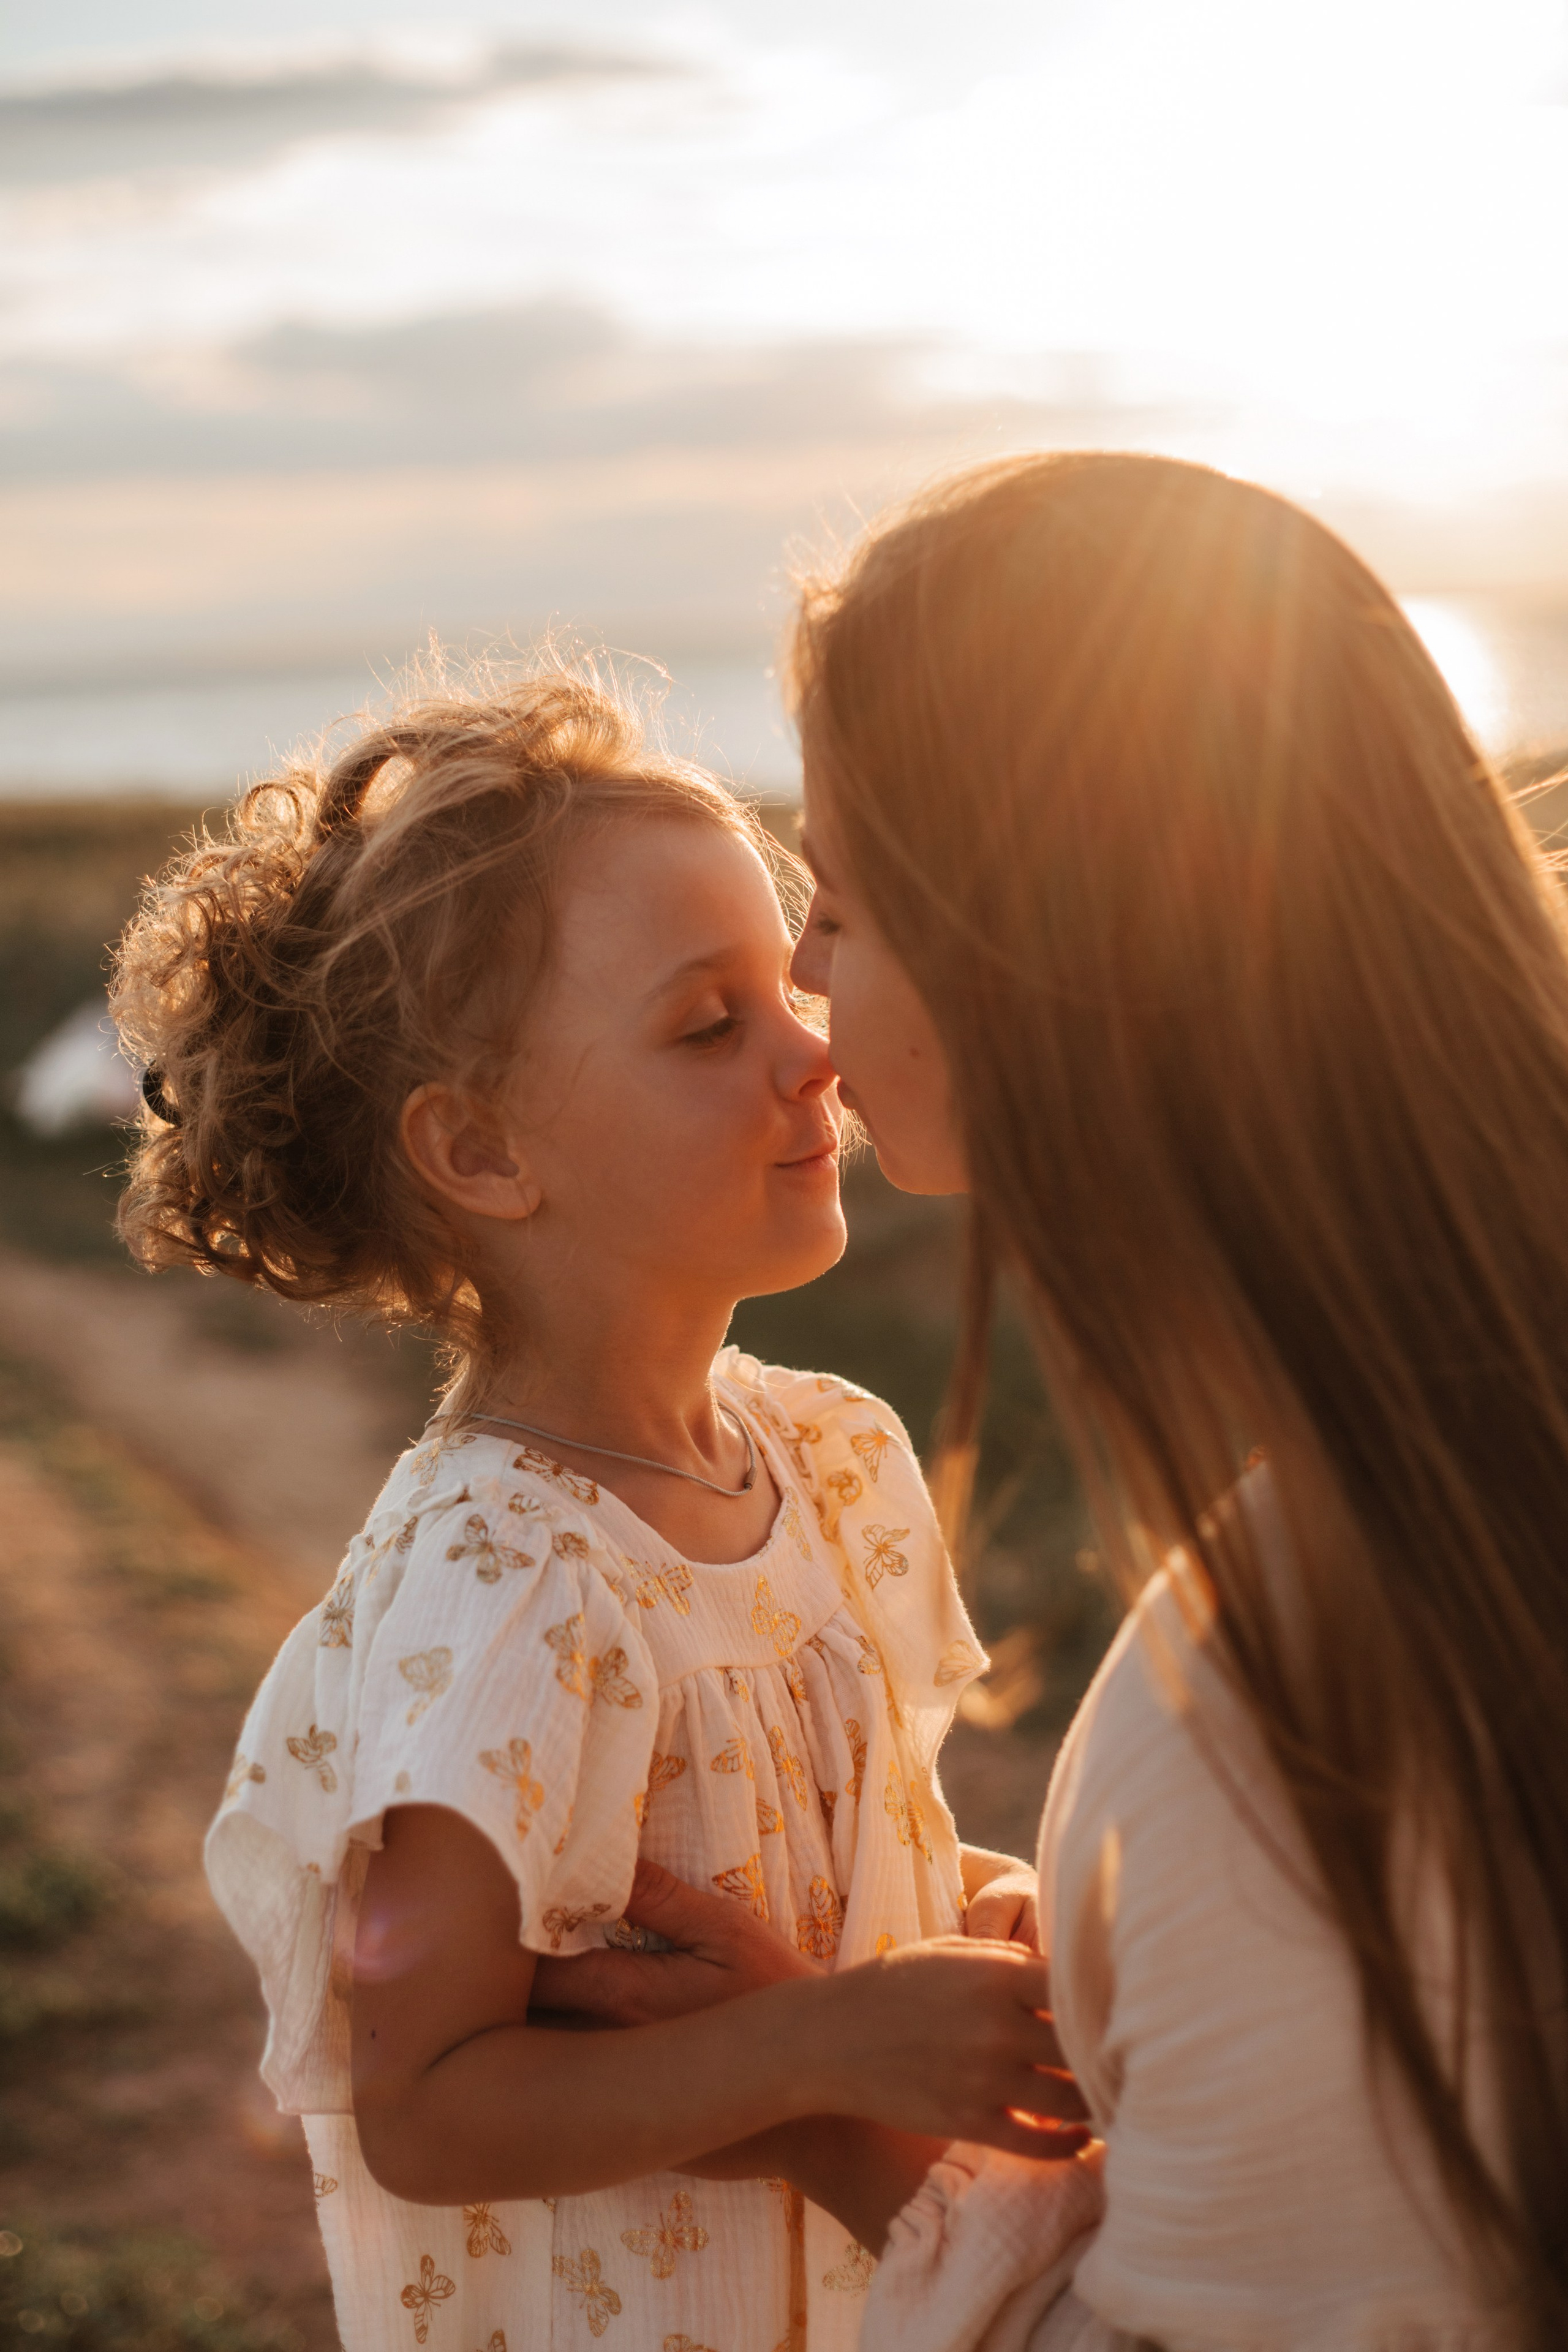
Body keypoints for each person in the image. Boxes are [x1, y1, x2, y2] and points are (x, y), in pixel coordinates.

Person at [546, 456, 1568, 2350]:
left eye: (842, 911)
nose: (816, 1007)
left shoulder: (1301, 1728)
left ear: (1056, 957)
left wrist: (832, 2114)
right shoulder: (1440, 1485)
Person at [110, 668, 1084, 2352]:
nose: (815, 1050)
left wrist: (974, 1923)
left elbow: (834, 1844)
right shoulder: (507, 1576)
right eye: (711, 1026)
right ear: (482, 1153)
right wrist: (827, 2044)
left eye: (790, 987)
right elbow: (426, 2107)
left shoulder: (832, 1456)